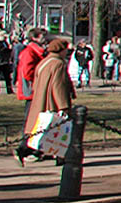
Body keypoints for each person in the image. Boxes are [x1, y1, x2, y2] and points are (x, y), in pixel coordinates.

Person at [21, 38, 77, 163]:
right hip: (51, 100)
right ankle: (58, 155)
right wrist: (63, 105)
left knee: (38, 126)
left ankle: (33, 151)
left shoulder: (44, 62)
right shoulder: (58, 64)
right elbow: (59, 85)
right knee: (57, 127)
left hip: (39, 98)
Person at [14, 27, 49, 162]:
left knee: (39, 120)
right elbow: (27, 72)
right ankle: (24, 149)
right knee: (32, 120)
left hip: (37, 91)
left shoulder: (37, 52)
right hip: (33, 92)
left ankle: (36, 148)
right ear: (35, 37)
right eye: (42, 36)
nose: (45, 39)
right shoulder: (30, 52)